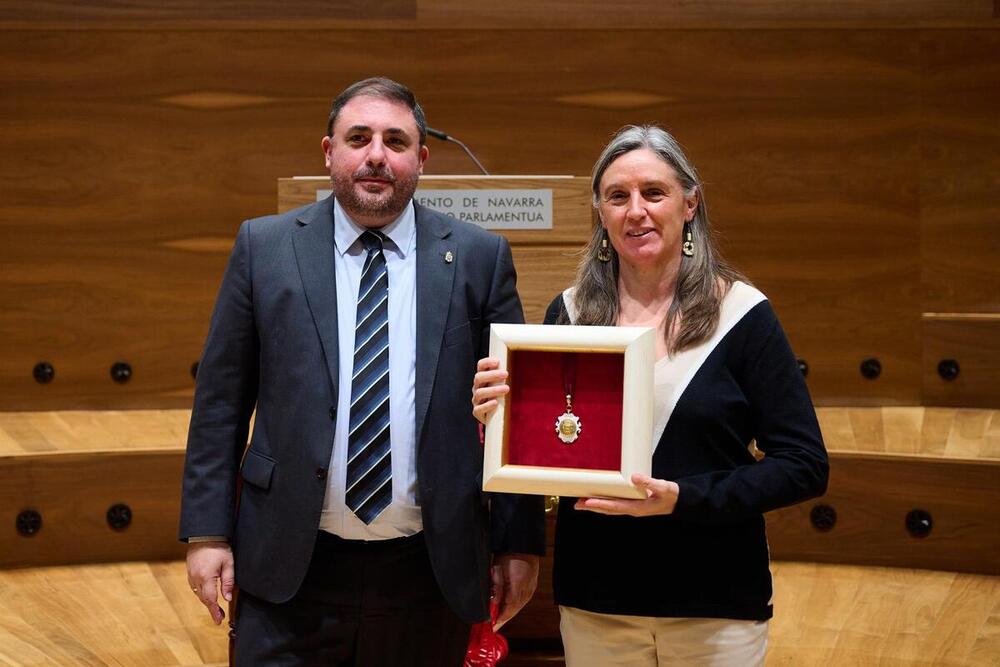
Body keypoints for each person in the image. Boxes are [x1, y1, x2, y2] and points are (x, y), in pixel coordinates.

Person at [180, 77, 544, 666]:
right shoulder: (264, 247)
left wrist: (519, 543)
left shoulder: (479, 256)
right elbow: (221, 401)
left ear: (420, 159)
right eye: (359, 137)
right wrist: (207, 533)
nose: (377, 155)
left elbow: (515, 408)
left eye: (396, 141)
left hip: (428, 570)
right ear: (329, 152)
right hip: (290, 566)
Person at [472, 125, 828, 666]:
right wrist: (496, 416)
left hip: (716, 603)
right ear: (600, 214)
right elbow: (536, 457)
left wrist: (683, 499)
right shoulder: (567, 318)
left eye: (653, 193)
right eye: (618, 196)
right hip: (597, 601)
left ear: (690, 204)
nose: (636, 210)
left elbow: (803, 464)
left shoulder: (744, 316)